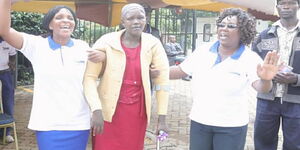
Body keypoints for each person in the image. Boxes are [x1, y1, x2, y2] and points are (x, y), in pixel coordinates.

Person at [168, 8, 279, 150]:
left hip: (231, 126)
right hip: (200, 120)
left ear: (243, 31)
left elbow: (262, 88)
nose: (224, 29)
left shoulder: (250, 58)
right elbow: (180, 71)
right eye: (221, 24)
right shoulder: (204, 50)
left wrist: (266, 79)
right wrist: (151, 71)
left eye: (231, 26)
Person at [0, 1, 105, 149]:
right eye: (59, 17)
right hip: (48, 124)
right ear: (50, 25)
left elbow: (94, 77)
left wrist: (103, 56)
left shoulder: (83, 47)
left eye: (70, 18)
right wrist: (5, 3)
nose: (66, 20)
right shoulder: (36, 45)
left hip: (78, 123)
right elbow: (4, 31)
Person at [83, 3, 170, 150]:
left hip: (137, 113)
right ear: (122, 21)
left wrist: (162, 119)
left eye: (140, 17)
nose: (136, 22)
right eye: (130, 18)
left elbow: (162, 81)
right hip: (107, 113)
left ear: (146, 19)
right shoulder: (106, 42)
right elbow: (89, 78)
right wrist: (96, 109)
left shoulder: (153, 44)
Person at [252, 0, 300, 149]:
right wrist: (267, 75)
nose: (286, 6)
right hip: (266, 101)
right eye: (282, 3)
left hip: (297, 102)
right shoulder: (264, 35)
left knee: (295, 145)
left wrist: (296, 78)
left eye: (291, 2)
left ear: (298, 5)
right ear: (277, 7)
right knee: (263, 143)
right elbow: (253, 64)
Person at [0, 37, 16, 143]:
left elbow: (13, 54)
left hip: (5, 73)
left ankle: (7, 133)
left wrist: (11, 63)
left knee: (8, 102)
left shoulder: (8, 39)